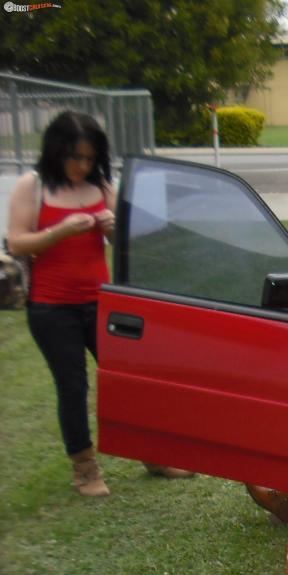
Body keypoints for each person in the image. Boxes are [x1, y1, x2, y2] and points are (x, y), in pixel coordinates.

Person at [5, 110, 194, 496]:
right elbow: (17, 242)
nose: (83, 165)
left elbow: (125, 242)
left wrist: (114, 229)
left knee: (128, 379)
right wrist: (58, 231)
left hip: (102, 303)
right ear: (57, 152)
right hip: (51, 308)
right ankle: (85, 469)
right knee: (72, 386)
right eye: (76, 157)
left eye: (90, 158)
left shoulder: (102, 186)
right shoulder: (34, 185)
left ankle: (153, 453)